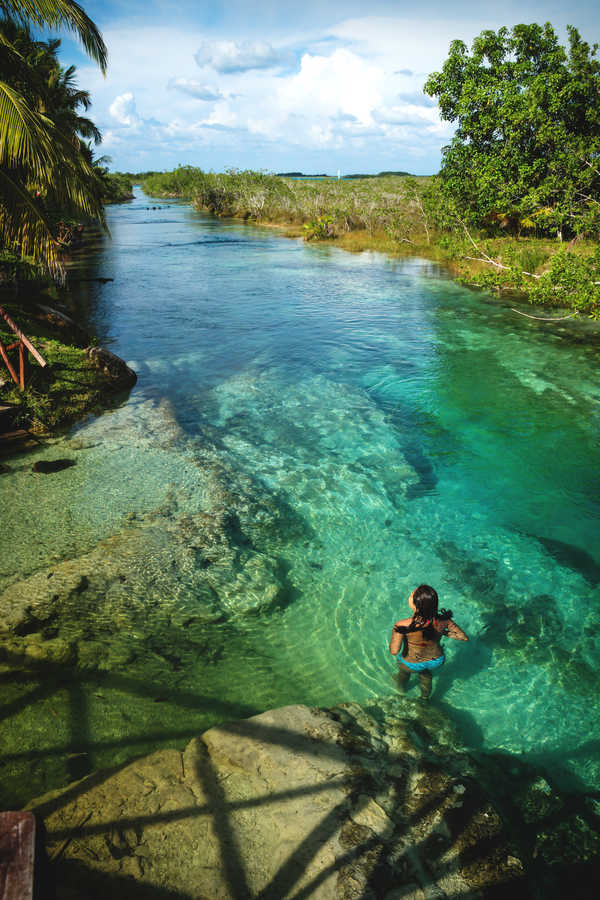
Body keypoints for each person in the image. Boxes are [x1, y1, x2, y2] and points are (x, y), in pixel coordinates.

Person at [389, 584, 468, 700]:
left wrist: (393, 641)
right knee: (425, 674)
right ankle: (425, 698)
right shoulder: (443, 620)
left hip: (412, 663)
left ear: (415, 603)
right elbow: (463, 637)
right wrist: (443, 632)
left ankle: (401, 691)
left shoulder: (403, 624)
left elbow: (394, 651)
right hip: (436, 660)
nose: (410, 596)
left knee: (403, 674)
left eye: (412, 595)